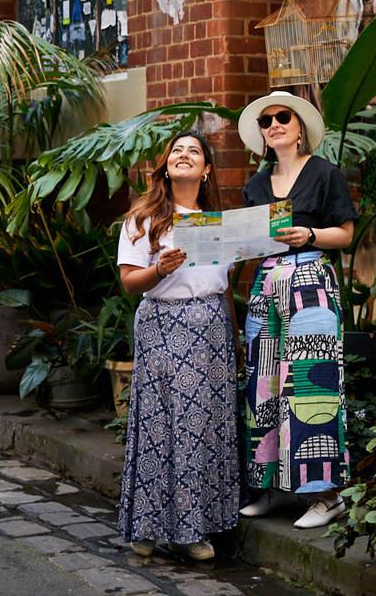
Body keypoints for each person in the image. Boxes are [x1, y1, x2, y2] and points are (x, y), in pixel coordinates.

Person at [236, 91, 358, 529]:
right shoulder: (255, 185)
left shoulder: (325, 174)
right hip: (266, 284)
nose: (274, 125)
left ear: (300, 127)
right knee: (262, 386)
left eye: (282, 117)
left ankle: (326, 496)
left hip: (311, 282)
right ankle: (271, 487)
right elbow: (249, 241)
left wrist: (309, 234)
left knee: (312, 389)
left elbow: (345, 234)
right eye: (266, 121)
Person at [116, 131, 238, 560]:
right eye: (177, 151)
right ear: (165, 165)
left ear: (206, 170)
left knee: (203, 426)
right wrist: (159, 271)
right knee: (160, 422)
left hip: (211, 329)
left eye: (195, 152)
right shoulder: (143, 219)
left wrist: (234, 337)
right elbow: (130, 282)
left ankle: (194, 529)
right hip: (163, 324)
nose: (184, 155)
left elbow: (224, 286)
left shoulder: (219, 223)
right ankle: (147, 527)